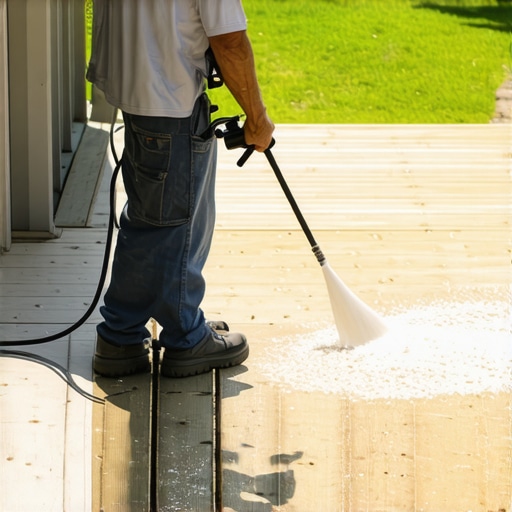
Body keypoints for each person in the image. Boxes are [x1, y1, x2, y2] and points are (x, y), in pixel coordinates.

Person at [87, 0, 274, 378]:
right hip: (169, 95)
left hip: (135, 90)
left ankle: (120, 337)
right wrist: (257, 118)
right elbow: (230, 41)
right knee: (177, 224)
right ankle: (186, 338)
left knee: (147, 220)